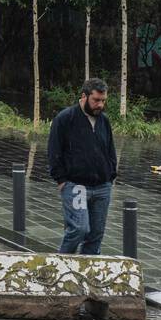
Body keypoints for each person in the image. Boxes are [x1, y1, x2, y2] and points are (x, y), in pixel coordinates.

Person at [47, 77, 118, 255]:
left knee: (96, 234)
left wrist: (110, 175)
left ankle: (88, 275)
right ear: (84, 96)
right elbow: (54, 150)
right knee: (79, 228)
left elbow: (110, 149)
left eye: (103, 101)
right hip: (75, 185)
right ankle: (61, 265)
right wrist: (61, 179)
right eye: (96, 100)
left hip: (102, 187)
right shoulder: (65, 118)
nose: (100, 105)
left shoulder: (104, 121)